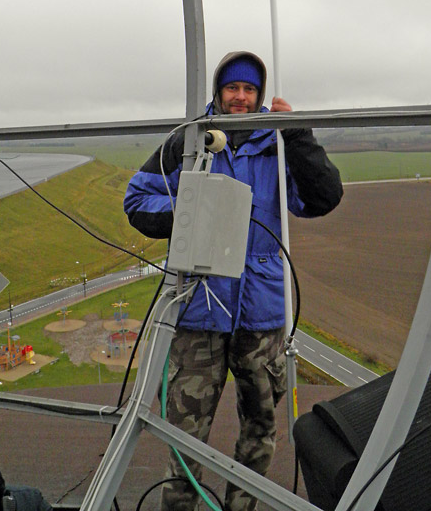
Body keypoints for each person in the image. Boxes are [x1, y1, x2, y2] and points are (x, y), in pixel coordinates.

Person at [124, 51, 343, 511]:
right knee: (184, 436)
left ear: (259, 95)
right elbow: (137, 201)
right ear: (218, 92)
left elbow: (322, 198)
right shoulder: (189, 140)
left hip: (261, 315)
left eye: (249, 89)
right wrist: (190, 214)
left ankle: (240, 507)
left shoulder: (279, 143)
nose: (240, 97)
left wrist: (298, 134)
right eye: (232, 88)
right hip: (198, 310)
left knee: (260, 429)